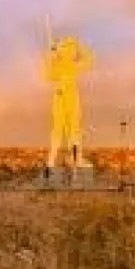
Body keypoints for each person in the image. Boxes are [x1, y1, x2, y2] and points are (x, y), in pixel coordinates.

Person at [44, 34, 95, 171]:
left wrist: (77, 46)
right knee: (59, 130)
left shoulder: (72, 65)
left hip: (70, 97)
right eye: (69, 47)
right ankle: (51, 161)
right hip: (61, 97)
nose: (71, 51)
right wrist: (51, 56)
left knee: (73, 130)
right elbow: (48, 75)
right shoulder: (59, 65)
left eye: (72, 48)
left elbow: (89, 60)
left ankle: (74, 160)